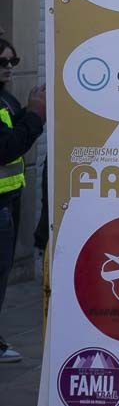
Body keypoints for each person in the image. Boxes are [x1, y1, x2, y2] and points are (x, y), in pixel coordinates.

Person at [0, 39, 45, 363]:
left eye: (12, 61)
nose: (8, 68)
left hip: (8, 203)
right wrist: (35, 116)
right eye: (3, 62)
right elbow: (7, 147)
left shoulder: (6, 99)